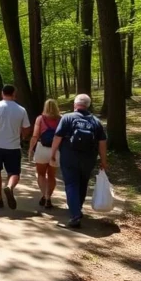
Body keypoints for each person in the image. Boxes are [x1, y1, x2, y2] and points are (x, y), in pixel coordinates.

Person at [49, 94, 108, 229]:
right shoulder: (95, 121)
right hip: (88, 158)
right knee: (82, 183)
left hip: (69, 157)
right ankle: (78, 209)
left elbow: (57, 137)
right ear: (88, 105)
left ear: (75, 105)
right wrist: (104, 160)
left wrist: (53, 154)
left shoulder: (67, 117)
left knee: (71, 184)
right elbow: (102, 142)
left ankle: (75, 215)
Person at [0, 84, 31, 209]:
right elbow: (26, 129)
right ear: (14, 94)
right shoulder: (21, 109)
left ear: (2, 93)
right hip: (13, 146)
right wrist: (23, 137)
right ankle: (9, 187)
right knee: (14, 172)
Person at [28, 99, 62, 209]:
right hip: (55, 150)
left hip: (42, 149)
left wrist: (30, 149)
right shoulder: (61, 119)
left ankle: (44, 195)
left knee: (41, 174)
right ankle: (48, 197)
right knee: (52, 176)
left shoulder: (40, 119)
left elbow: (35, 136)